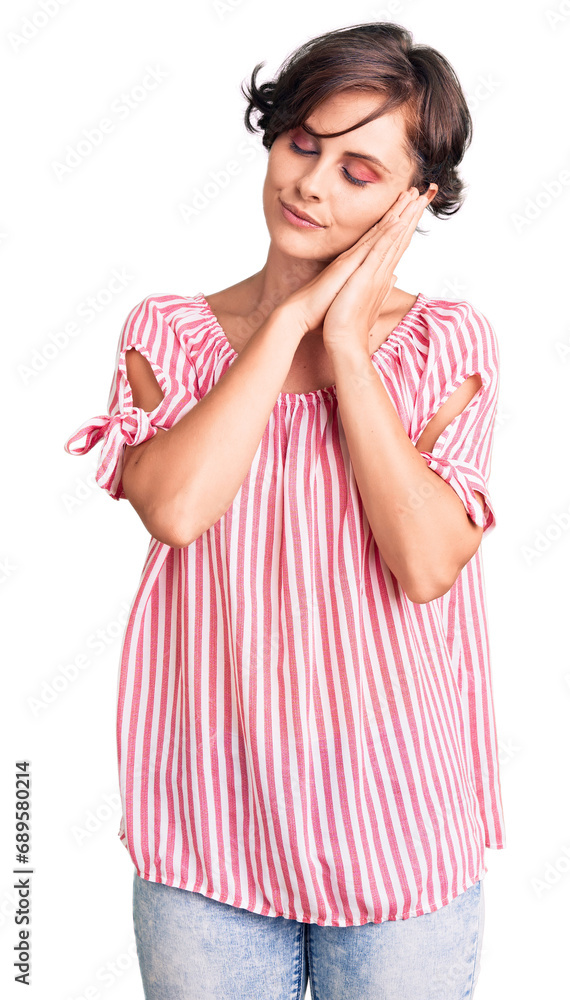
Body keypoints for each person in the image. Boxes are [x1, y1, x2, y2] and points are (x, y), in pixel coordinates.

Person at [64, 21, 506, 1000]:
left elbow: (426, 562)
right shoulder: (172, 334)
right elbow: (178, 509)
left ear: (414, 198)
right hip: (208, 835)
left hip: (401, 836)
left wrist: (346, 346)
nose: (309, 184)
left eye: (358, 169)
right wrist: (292, 319)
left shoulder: (445, 344)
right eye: (302, 144)